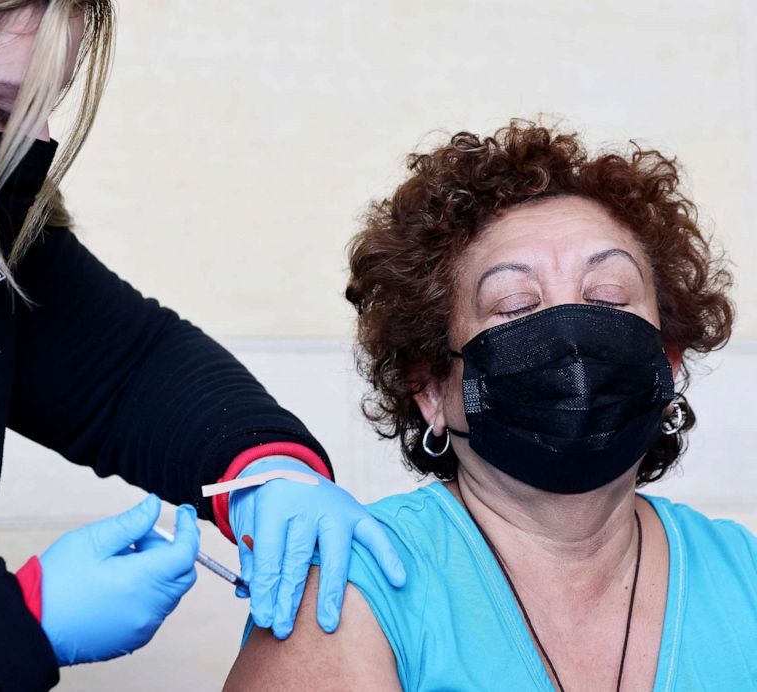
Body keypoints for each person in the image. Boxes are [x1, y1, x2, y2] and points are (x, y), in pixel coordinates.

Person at [0, 2, 407, 689]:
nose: (33, 145)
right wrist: (22, 622)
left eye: (46, 108)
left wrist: (265, 470)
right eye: (0, 106)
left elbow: (128, 367)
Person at [226, 122, 757, 690]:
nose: (571, 340)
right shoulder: (350, 587)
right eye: (516, 305)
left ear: (667, 363)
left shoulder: (744, 575)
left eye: (607, 297)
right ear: (431, 387)